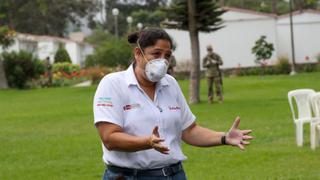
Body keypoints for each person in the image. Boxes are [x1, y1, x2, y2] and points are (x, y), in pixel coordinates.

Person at [93, 28, 253, 180]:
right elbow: (110, 138)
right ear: (138, 54)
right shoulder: (113, 84)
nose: (162, 61)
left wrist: (224, 137)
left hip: (174, 174)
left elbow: (189, 130)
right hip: (129, 176)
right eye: (156, 53)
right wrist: (147, 142)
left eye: (167, 55)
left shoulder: (170, 83)